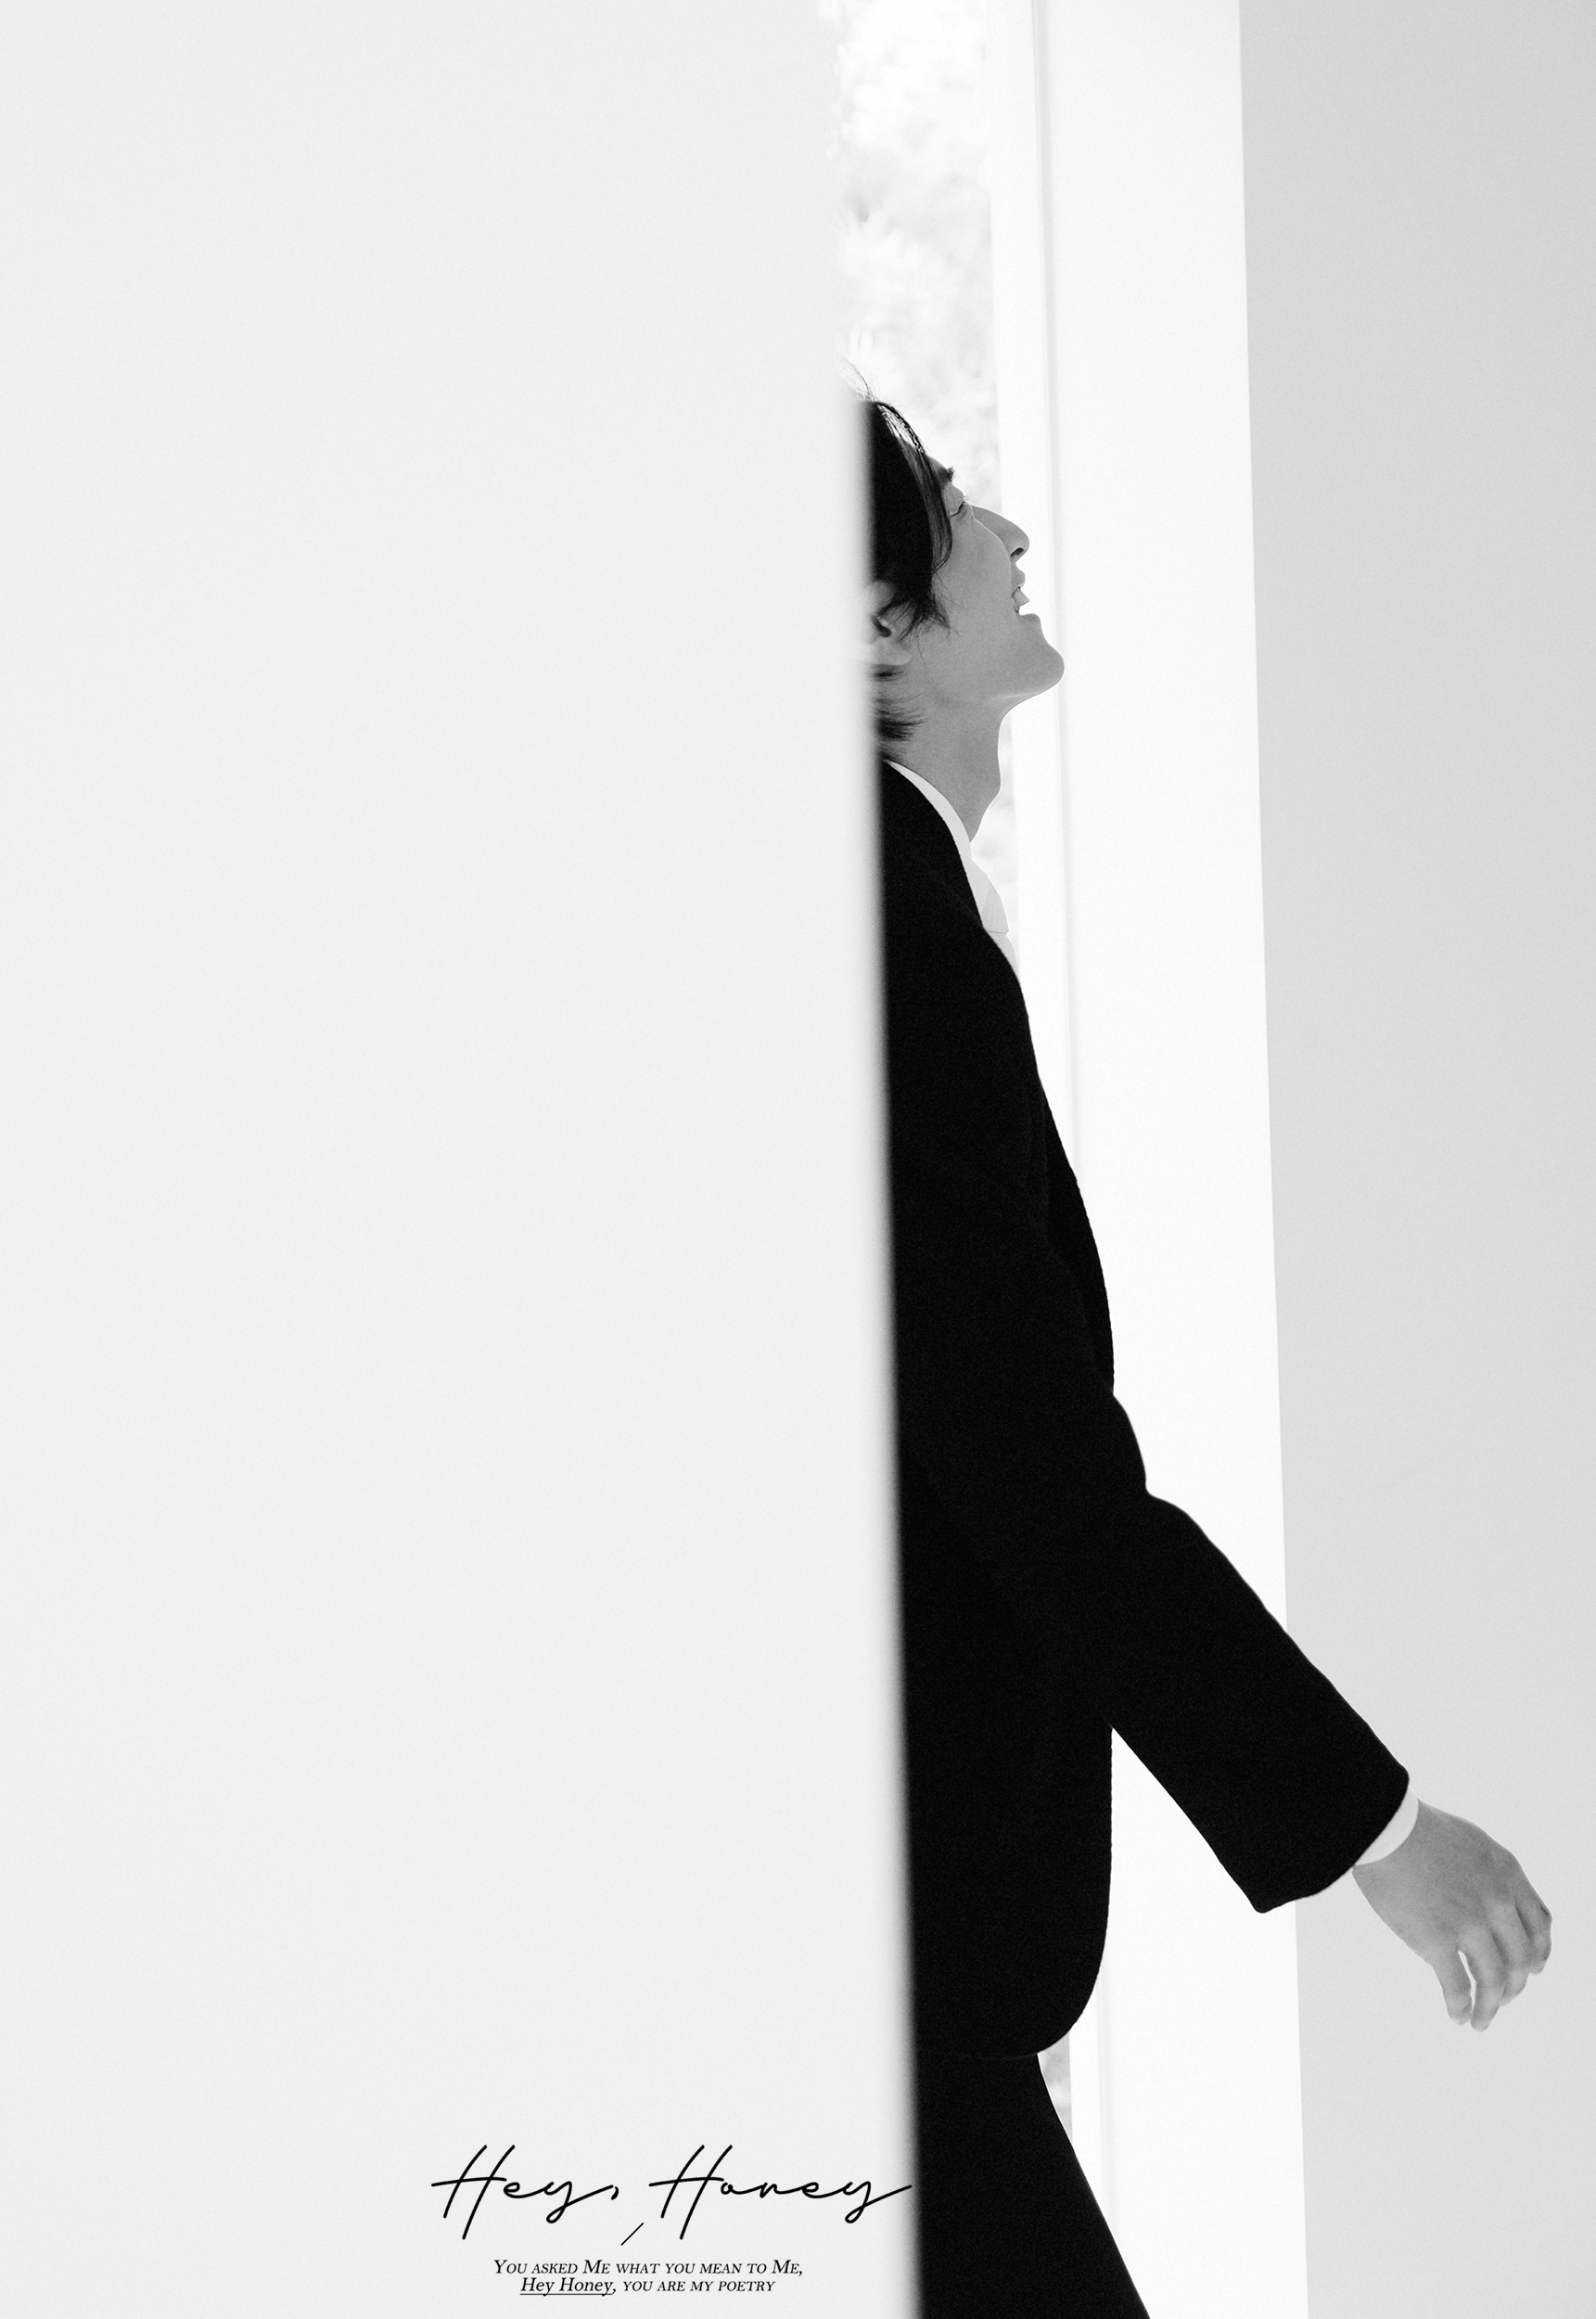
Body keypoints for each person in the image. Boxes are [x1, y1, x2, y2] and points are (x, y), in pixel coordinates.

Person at [860, 391, 1554, 2316]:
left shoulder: (888, 906)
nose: (1006, 529)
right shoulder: (879, 930)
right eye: (948, 508)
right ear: (868, 619)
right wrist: (1376, 1832)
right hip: (881, 1942)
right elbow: (1032, 1469)